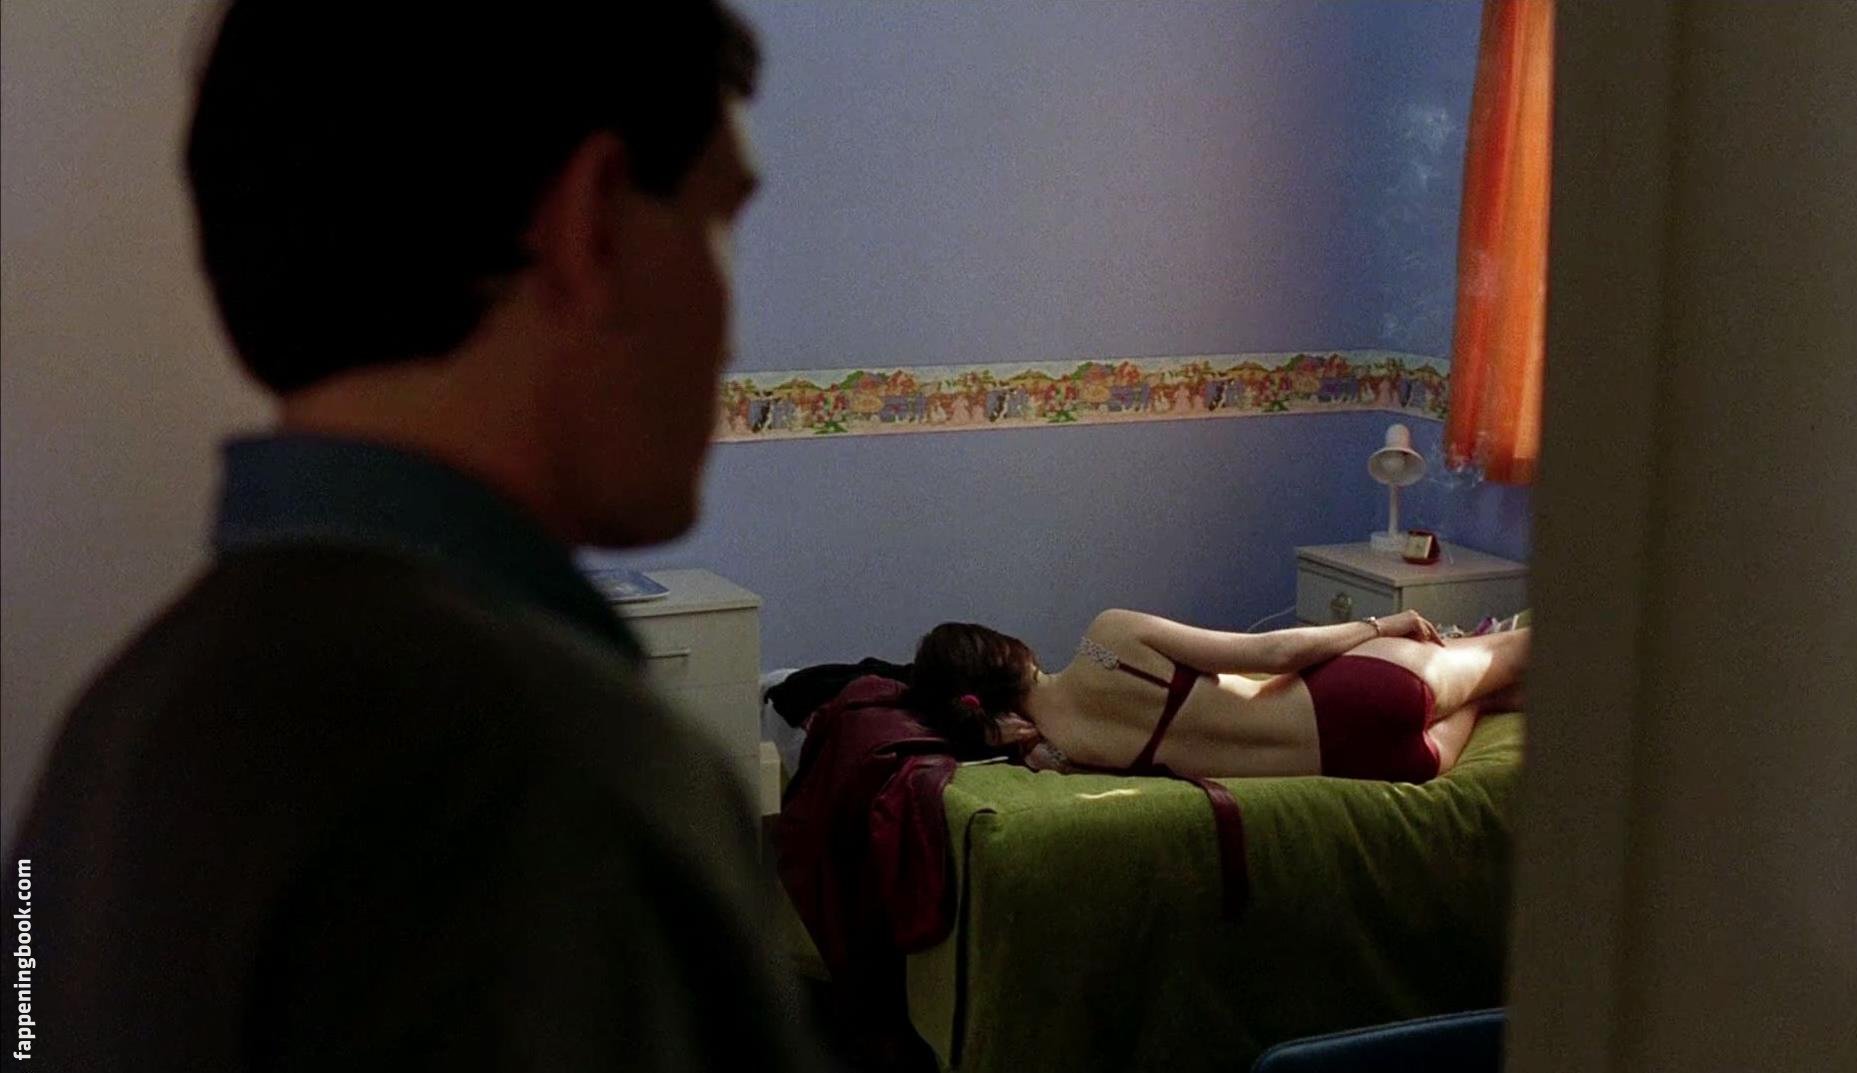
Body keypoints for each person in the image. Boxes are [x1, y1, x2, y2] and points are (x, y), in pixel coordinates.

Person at [9, 3, 828, 1071]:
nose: (731, 332)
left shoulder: (115, 730)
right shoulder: (559, 784)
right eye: (717, 221)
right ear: (588, 225)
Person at [905, 609, 1529, 782]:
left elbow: (1035, 752)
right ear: (1009, 650)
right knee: (1522, 646)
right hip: (1364, 696)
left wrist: (1005, 739)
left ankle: (1479, 683)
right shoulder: (1106, 639)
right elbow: (1275, 654)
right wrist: (1378, 624)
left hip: (1392, 763)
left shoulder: (1056, 758)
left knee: (1495, 694)